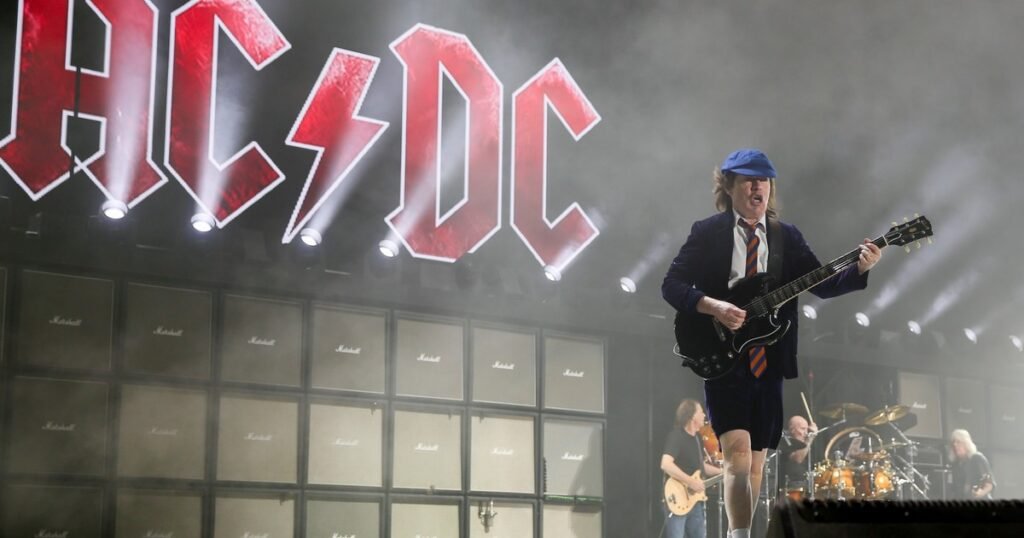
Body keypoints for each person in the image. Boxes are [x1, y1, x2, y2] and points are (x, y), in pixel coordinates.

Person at [662, 148, 882, 538]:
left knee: (757, 461)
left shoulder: (786, 236)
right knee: (737, 455)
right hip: (723, 355)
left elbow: (823, 283)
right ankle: (739, 536)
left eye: (763, 181)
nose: (757, 188)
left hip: (770, 357)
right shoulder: (708, 232)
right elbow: (672, 285)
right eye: (748, 180)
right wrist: (714, 307)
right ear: (729, 186)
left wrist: (860, 269)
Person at [660, 399, 723, 538]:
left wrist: (724, 473)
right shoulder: (677, 436)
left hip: (694, 501)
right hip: (677, 498)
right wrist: (690, 482)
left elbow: (701, 467)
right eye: (701, 412)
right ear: (693, 416)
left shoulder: (697, 439)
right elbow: (666, 464)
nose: (704, 415)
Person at [949, 429, 995, 499]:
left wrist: (981, 492)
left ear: (966, 444)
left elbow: (989, 484)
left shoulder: (977, 458)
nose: (955, 445)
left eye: (958, 442)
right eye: (953, 442)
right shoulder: (956, 464)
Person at [780, 415, 818, 493]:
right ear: (792, 430)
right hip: (793, 487)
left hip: (810, 484)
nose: (806, 433)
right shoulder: (786, 442)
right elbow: (797, 459)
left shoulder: (807, 444)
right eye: (803, 429)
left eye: (807, 429)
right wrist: (810, 440)